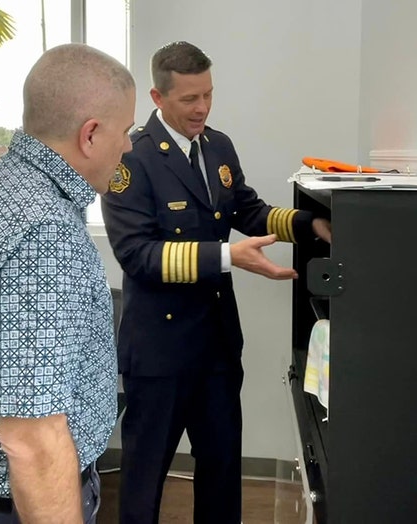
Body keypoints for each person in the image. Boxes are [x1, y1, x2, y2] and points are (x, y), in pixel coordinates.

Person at [101, 41, 332, 524]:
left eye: (208, 94)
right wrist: (230, 256)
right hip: (160, 350)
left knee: (223, 472)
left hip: (217, 345)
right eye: (189, 99)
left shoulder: (218, 145)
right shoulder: (131, 159)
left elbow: (247, 209)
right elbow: (138, 256)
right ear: (158, 98)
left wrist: (309, 223)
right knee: (145, 479)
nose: (202, 107)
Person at [0, 43, 135, 524]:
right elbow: (32, 439)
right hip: (22, 502)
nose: (129, 146)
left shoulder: (1, 184)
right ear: (91, 134)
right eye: (126, 131)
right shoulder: (42, 234)